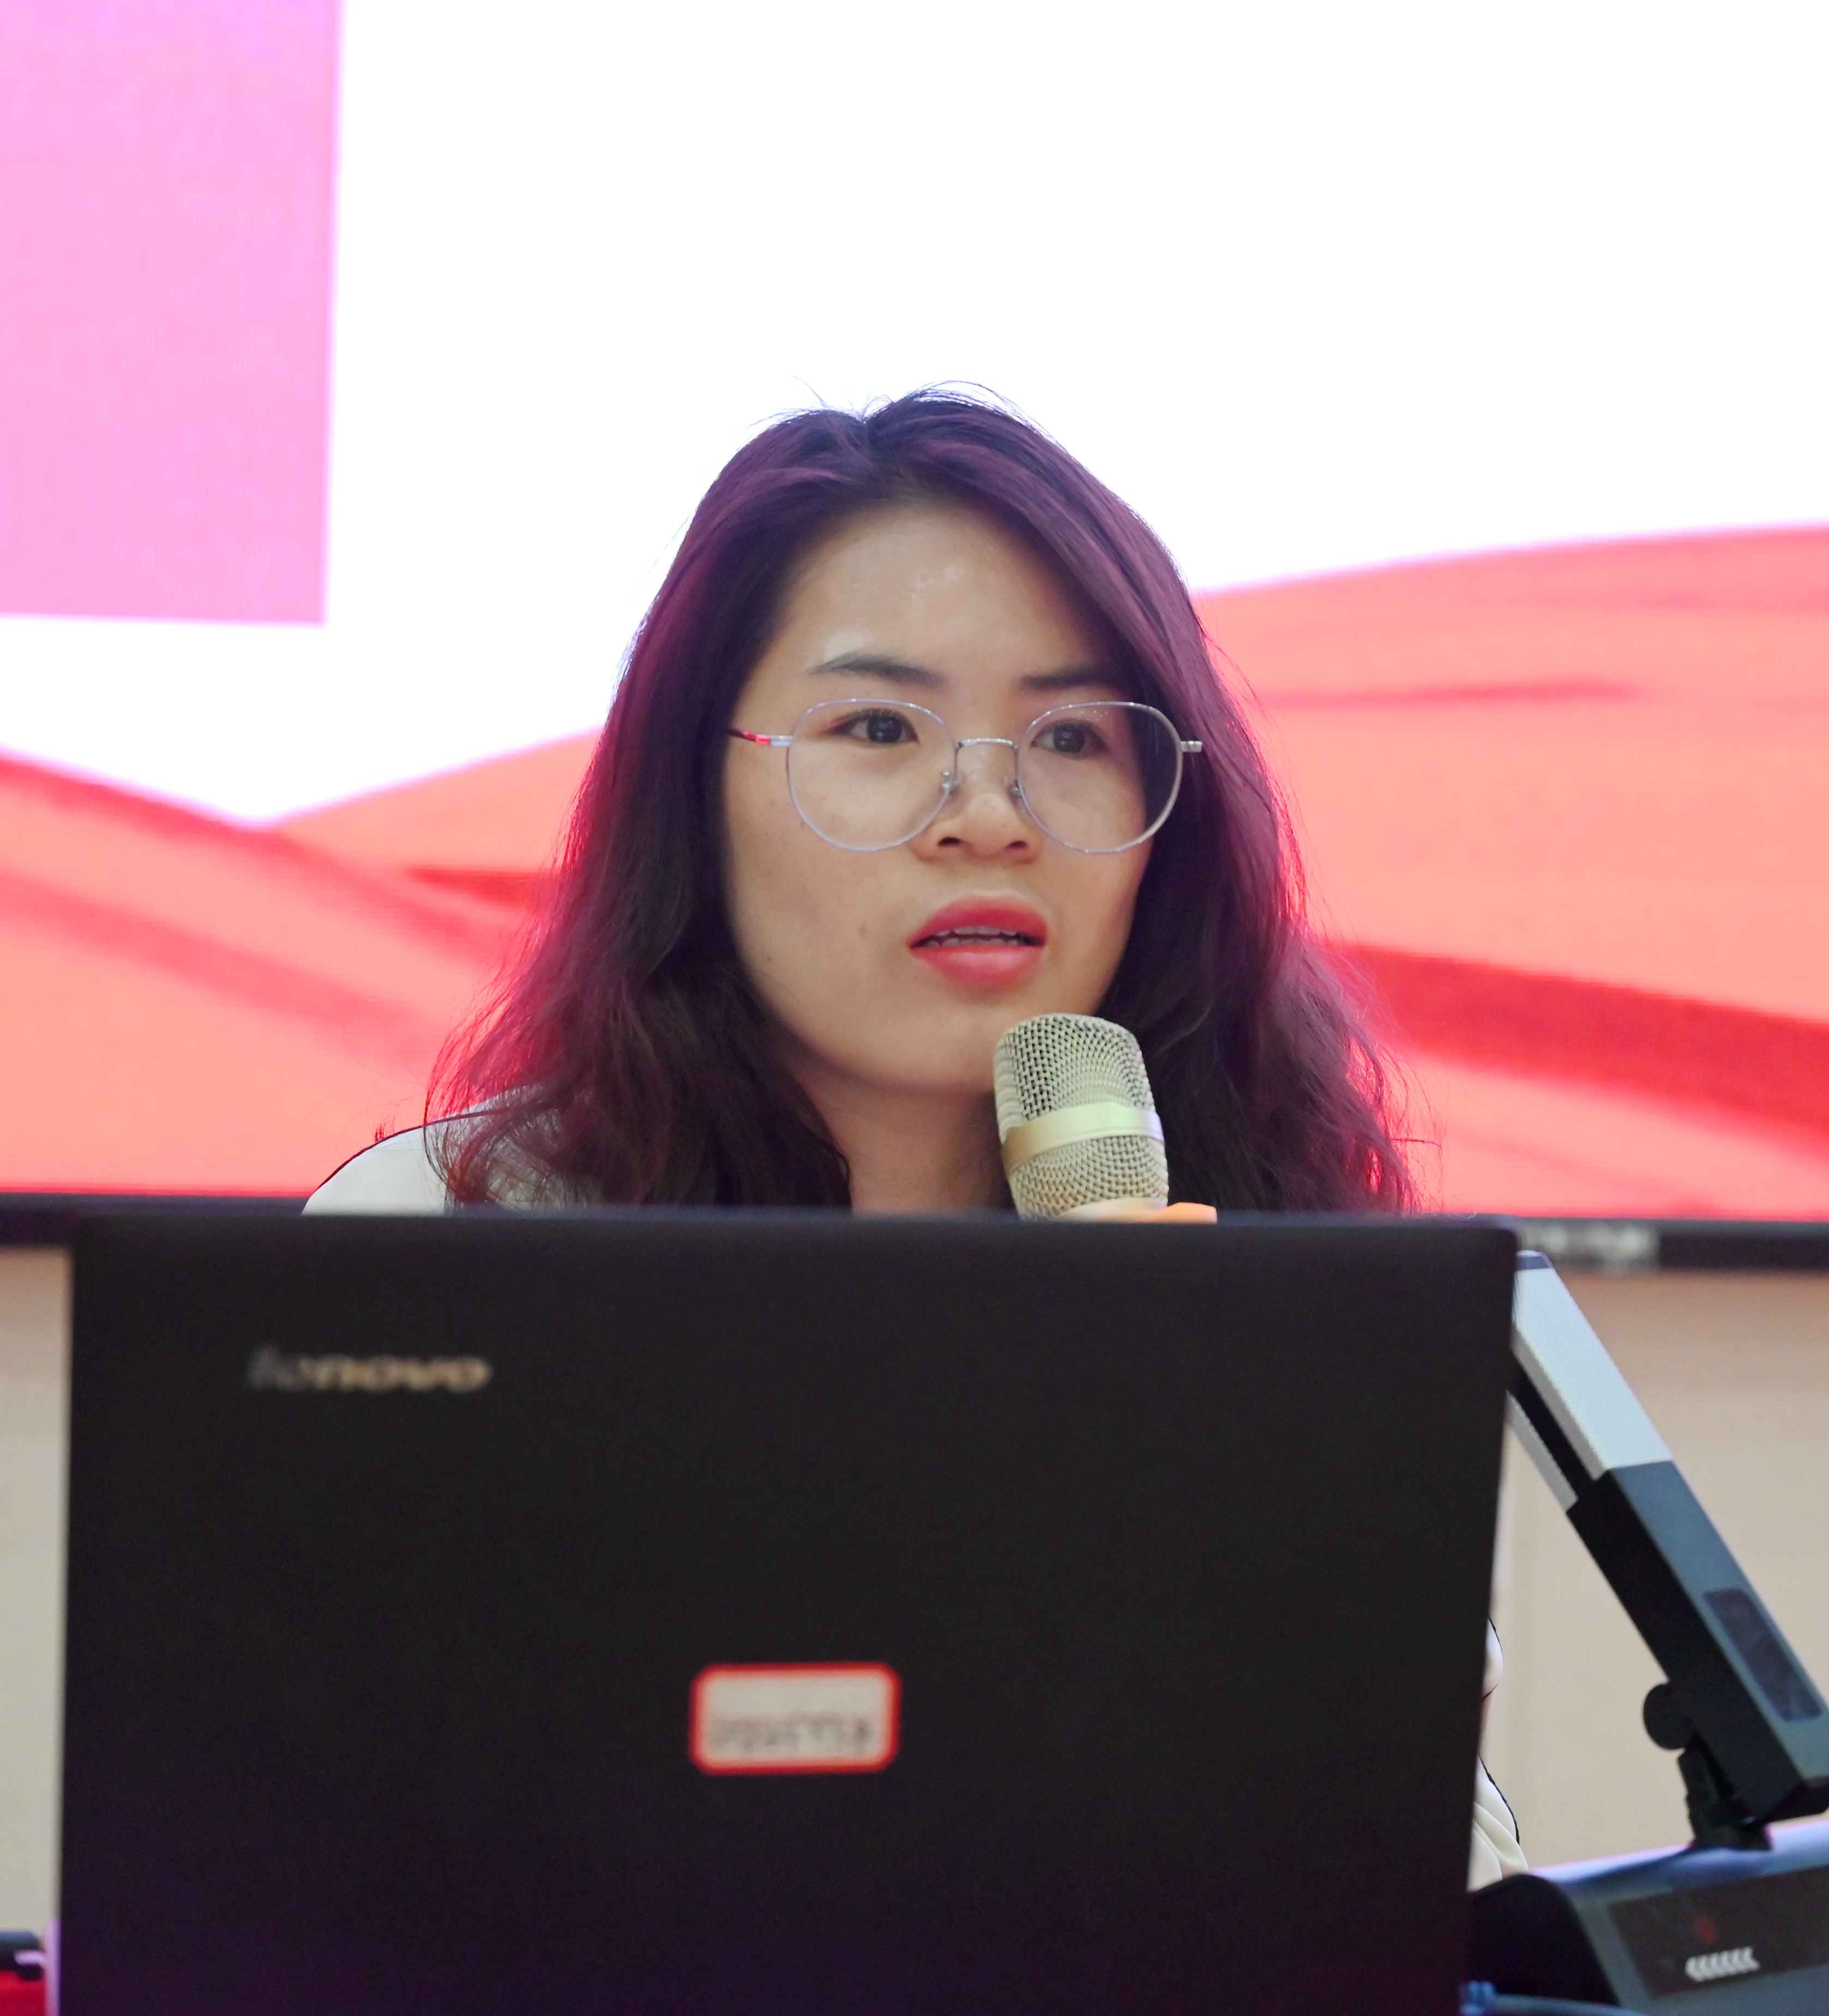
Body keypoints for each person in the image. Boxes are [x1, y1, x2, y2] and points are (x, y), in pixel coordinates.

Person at [309, 388, 1528, 1883]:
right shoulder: (447, 1245)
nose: (991, 815)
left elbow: (1435, 1896)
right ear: (694, 792)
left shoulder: (1276, 1291)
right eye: (881, 728)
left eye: (1071, 735)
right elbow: (324, 1848)